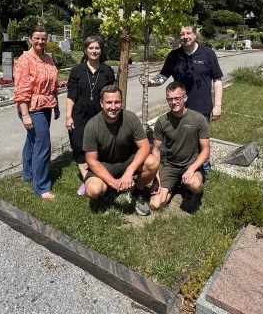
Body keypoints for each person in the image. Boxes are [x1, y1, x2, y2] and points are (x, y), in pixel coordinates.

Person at [140, 24, 223, 172]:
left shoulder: (208, 54)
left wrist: (217, 105)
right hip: (179, 108)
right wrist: (149, 83)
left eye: (188, 33)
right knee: (180, 139)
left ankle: (203, 171)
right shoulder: (174, 56)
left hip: (202, 107)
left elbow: (217, 80)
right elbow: (163, 76)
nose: (185, 36)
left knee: (200, 142)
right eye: (182, 34)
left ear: (195, 34)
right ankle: (181, 169)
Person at [82, 85, 158, 216]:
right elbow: (91, 161)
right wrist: (114, 182)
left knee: (153, 162)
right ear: (101, 103)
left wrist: (130, 171)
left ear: (121, 102)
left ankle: (136, 191)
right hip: (104, 164)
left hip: (127, 160)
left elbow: (145, 147)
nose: (113, 107)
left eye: (117, 102)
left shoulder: (131, 118)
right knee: (93, 190)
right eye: (109, 102)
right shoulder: (92, 126)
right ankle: (109, 190)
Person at [13, 25, 60, 200]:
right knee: (43, 144)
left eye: (43, 38)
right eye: (37, 38)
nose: (40, 41)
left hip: (46, 106)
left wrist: (55, 106)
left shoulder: (47, 58)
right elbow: (21, 90)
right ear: (30, 39)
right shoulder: (24, 61)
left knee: (33, 142)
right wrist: (25, 115)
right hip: (31, 108)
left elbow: (53, 85)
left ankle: (29, 175)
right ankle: (42, 187)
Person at [148, 82, 210, 212]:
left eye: (177, 98)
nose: (173, 102)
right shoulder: (162, 121)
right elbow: (155, 150)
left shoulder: (198, 119)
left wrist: (192, 169)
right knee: (155, 204)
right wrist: (156, 177)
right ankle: (174, 185)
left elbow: (206, 151)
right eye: (170, 99)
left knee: (194, 184)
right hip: (171, 166)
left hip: (192, 165)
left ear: (185, 98)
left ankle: (192, 191)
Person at [65, 36, 115, 196]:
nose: (94, 51)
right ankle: (88, 179)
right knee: (80, 147)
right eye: (91, 48)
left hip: (100, 115)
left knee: (99, 147)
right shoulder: (77, 70)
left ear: (101, 50)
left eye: (97, 48)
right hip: (79, 115)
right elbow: (71, 95)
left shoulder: (107, 71)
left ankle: (95, 177)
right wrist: (68, 116)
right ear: (86, 50)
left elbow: (110, 95)